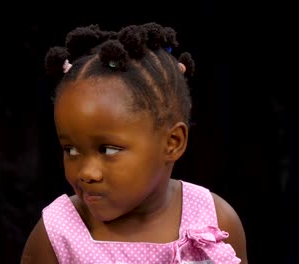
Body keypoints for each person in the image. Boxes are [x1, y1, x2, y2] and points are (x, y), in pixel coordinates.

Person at [21, 22, 247, 264]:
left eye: (107, 150)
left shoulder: (215, 220)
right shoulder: (57, 235)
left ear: (172, 143)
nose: (86, 173)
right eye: (71, 150)